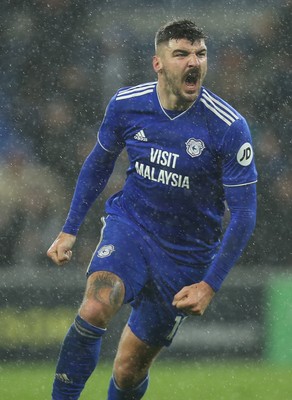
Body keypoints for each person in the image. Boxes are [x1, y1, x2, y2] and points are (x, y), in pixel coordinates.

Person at [47, 19, 257, 400]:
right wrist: (70, 228)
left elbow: (244, 214)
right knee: (96, 306)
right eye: (181, 54)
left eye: (200, 54)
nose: (193, 62)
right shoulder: (127, 104)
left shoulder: (228, 127)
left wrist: (209, 284)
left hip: (185, 255)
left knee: (128, 370)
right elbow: (99, 163)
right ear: (158, 63)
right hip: (132, 226)